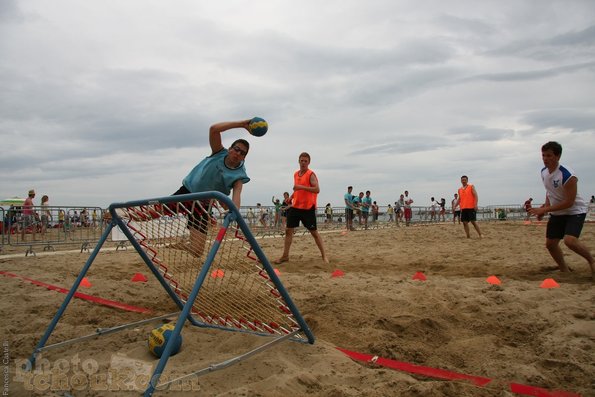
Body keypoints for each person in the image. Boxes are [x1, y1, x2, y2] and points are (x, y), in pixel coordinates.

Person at [172, 119, 252, 255]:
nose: (238, 153)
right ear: (230, 150)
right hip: (186, 193)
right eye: (236, 149)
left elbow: (237, 196)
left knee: (197, 252)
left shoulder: (239, 175)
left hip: (203, 205)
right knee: (146, 214)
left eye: (242, 153)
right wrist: (242, 124)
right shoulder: (219, 152)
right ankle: (124, 219)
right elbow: (214, 129)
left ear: (244, 158)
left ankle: (182, 245)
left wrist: (234, 210)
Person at [529, 141, 593, 279]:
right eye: (543, 155)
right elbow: (549, 192)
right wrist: (544, 209)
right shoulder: (544, 172)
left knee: (569, 241)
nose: (545, 159)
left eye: (549, 155)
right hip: (557, 212)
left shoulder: (568, 175)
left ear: (558, 156)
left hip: (574, 211)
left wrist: (545, 209)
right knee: (551, 244)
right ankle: (564, 270)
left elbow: (569, 202)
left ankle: (591, 261)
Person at [275, 152, 329, 264]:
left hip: (308, 208)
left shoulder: (311, 174)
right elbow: (297, 190)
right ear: (298, 161)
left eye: (305, 161)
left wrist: (301, 187)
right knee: (288, 231)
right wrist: (291, 197)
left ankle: (324, 256)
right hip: (296, 207)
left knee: (314, 233)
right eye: (301, 160)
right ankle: (285, 256)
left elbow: (317, 189)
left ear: (309, 162)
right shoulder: (296, 174)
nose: (303, 162)